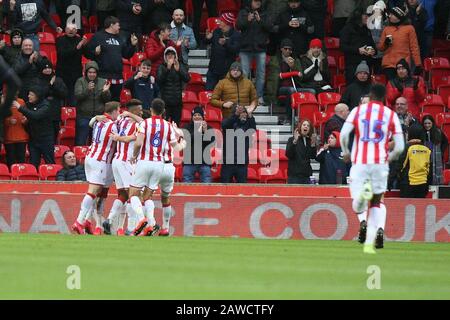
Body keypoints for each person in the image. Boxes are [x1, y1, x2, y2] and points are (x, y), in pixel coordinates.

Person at [340, 84, 405, 254]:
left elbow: (343, 135)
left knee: (356, 202)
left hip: (360, 162)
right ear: (384, 97)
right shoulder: (390, 114)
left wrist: (346, 152)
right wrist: (388, 158)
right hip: (380, 164)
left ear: (371, 94)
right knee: (377, 201)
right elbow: (399, 147)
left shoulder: (358, 111)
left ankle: (362, 214)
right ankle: (378, 230)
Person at [127, 98, 186, 236]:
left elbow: (138, 143)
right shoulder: (168, 126)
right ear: (164, 111)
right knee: (148, 197)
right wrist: (183, 144)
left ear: (151, 110)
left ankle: (142, 219)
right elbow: (176, 146)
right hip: (160, 165)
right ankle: (152, 225)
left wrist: (134, 155)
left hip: (145, 162)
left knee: (133, 194)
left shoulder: (144, 123)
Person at [71, 101, 120, 236]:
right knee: (93, 191)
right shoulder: (113, 126)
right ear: (114, 111)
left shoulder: (98, 121)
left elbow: (90, 123)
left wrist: (94, 117)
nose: (119, 113)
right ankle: (79, 221)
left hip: (91, 157)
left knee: (101, 193)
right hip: (101, 160)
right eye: (118, 111)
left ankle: (87, 221)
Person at [102, 99, 144, 236]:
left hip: (117, 161)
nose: (142, 111)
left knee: (123, 195)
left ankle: (109, 220)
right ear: (133, 111)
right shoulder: (137, 125)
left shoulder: (120, 121)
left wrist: (97, 117)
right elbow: (132, 135)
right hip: (127, 161)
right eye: (139, 109)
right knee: (133, 194)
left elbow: (109, 119)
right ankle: (132, 227)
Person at [84, 16, 138, 101]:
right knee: (102, 101)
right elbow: (86, 53)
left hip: (117, 76)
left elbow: (126, 55)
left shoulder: (120, 38)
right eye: (118, 25)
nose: (119, 27)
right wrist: (94, 52)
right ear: (111, 25)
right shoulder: (98, 36)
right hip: (103, 76)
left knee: (115, 102)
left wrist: (132, 45)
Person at [236, 0, 273, 105]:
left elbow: (270, 27)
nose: (258, 3)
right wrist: (247, 20)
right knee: (244, 74)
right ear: (251, 2)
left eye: (259, 1)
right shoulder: (243, 12)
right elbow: (238, 26)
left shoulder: (265, 13)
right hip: (245, 48)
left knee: (260, 74)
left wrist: (260, 20)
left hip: (260, 48)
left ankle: (259, 96)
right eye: (256, 1)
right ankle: (245, 97)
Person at [377, 6, 422, 80]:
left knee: (403, 87)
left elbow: (414, 47)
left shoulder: (409, 28)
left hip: (403, 64)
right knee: (391, 87)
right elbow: (381, 48)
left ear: (398, 16)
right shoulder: (386, 29)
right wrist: (386, 43)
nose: (389, 16)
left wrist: (418, 64)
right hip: (389, 64)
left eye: (392, 14)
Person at [266, 38, 303, 126]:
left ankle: (303, 120)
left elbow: (301, 77)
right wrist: (294, 73)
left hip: (295, 86)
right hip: (278, 87)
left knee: (311, 92)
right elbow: (276, 76)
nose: (288, 51)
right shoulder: (274, 60)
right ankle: (289, 118)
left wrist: (293, 67)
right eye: (285, 48)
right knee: (291, 91)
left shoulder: (295, 60)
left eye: (290, 49)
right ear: (281, 49)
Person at [74, 61, 111, 146]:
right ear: (86, 72)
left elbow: (107, 99)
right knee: (81, 142)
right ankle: (80, 158)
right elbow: (77, 96)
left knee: (97, 143)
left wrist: (105, 92)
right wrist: (87, 90)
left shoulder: (102, 82)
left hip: (99, 117)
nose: (92, 74)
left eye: (94, 72)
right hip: (84, 117)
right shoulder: (80, 81)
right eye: (90, 72)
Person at [17, 86, 55, 168]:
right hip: (33, 139)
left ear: (38, 96)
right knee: (33, 164)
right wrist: (25, 121)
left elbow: (36, 116)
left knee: (50, 162)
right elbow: (28, 117)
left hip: (46, 139)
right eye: (29, 94)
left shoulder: (46, 105)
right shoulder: (28, 105)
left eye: (31, 95)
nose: (29, 96)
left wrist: (19, 108)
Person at [221, 104, 257, 183]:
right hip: (228, 162)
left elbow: (253, 129)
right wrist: (236, 115)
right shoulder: (230, 122)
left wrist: (250, 115)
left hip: (242, 163)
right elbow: (224, 124)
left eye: (245, 112)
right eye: (241, 112)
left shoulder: (248, 124)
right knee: (225, 188)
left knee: (242, 188)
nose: (244, 114)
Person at [339, 7, 377, 84]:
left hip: (367, 66)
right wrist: (358, 50)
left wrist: (373, 51)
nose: (368, 18)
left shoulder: (367, 30)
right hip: (353, 66)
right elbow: (342, 47)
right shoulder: (347, 29)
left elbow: (373, 46)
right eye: (365, 16)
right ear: (358, 16)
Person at [205, 12, 240, 91]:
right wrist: (207, 38)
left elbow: (235, 50)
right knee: (208, 92)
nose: (218, 22)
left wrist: (225, 44)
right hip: (213, 68)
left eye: (221, 20)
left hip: (226, 71)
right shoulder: (216, 31)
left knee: (224, 95)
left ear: (227, 23)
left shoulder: (236, 35)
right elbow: (207, 43)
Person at [36, 57, 68, 143]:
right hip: (42, 115)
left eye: (49, 68)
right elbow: (39, 95)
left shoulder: (58, 80)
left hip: (55, 114)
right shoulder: (38, 80)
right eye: (45, 68)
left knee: (54, 138)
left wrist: (55, 85)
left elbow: (64, 94)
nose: (47, 70)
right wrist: (50, 84)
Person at [156, 46, 190, 125]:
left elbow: (187, 79)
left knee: (176, 125)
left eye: (172, 54)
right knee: (164, 125)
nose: (170, 56)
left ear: (175, 56)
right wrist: (167, 68)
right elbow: (159, 81)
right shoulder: (161, 67)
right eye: (168, 54)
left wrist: (179, 70)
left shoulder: (180, 65)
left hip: (177, 102)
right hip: (165, 103)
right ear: (165, 56)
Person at [56, 23, 87, 106]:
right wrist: (77, 47)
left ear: (76, 31)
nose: (70, 30)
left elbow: (87, 54)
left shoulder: (79, 40)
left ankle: (72, 117)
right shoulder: (60, 40)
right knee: (61, 100)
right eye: (68, 28)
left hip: (75, 75)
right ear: (65, 30)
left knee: (73, 101)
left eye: (73, 29)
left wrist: (87, 46)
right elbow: (62, 54)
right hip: (62, 74)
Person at [182, 106, 216, 183]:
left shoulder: (208, 128)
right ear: (192, 117)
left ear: (202, 117)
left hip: (204, 162)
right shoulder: (186, 127)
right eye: (195, 115)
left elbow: (212, 142)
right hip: (189, 162)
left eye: (199, 115)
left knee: (207, 187)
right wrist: (198, 131)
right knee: (186, 186)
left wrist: (205, 131)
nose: (197, 117)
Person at [397, 124, 431, 198]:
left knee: (406, 208)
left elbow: (400, 165)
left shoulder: (407, 147)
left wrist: (392, 179)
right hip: (423, 184)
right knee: (420, 208)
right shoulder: (427, 149)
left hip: (407, 184)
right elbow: (429, 168)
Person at [286, 119, 317, 184]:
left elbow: (312, 156)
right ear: (300, 127)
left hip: (306, 175)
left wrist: (313, 145)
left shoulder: (309, 141)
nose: (306, 127)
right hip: (294, 175)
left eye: (308, 126)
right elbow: (288, 154)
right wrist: (295, 141)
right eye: (304, 125)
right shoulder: (291, 139)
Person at [422, 115, 448, 185]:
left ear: (432, 123)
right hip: (424, 159)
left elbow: (445, 142)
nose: (427, 125)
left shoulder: (438, 132)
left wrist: (440, 152)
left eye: (429, 123)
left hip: (436, 159)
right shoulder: (421, 132)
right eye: (425, 123)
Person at [3, 97, 28, 168]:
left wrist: (25, 120)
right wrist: (8, 121)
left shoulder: (21, 101)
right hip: (8, 137)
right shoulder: (3, 101)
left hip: (21, 137)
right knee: (11, 161)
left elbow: (26, 115)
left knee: (21, 161)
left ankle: (22, 177)